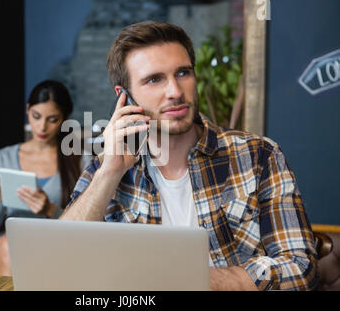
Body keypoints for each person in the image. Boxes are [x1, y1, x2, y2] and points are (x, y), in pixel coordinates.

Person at [60, 21, 318, 291]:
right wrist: (109, 173)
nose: (175, 91)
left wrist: (195, 282)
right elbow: (61, 261)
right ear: (124, 96)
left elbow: (302, 270)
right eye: (154, 79)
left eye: (183, 73)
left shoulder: (258, 156)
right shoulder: (106, 166)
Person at [0, 80, 90, 276]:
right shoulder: (4, 156)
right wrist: (0, 201)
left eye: (53, 119)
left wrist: (50, 209)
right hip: (9, 242)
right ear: (28, 110)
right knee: (9, 250)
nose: (42, 127)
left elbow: (87, 226)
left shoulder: (79, 159)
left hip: (56, 245)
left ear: (64, 119)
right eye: (36, 116)